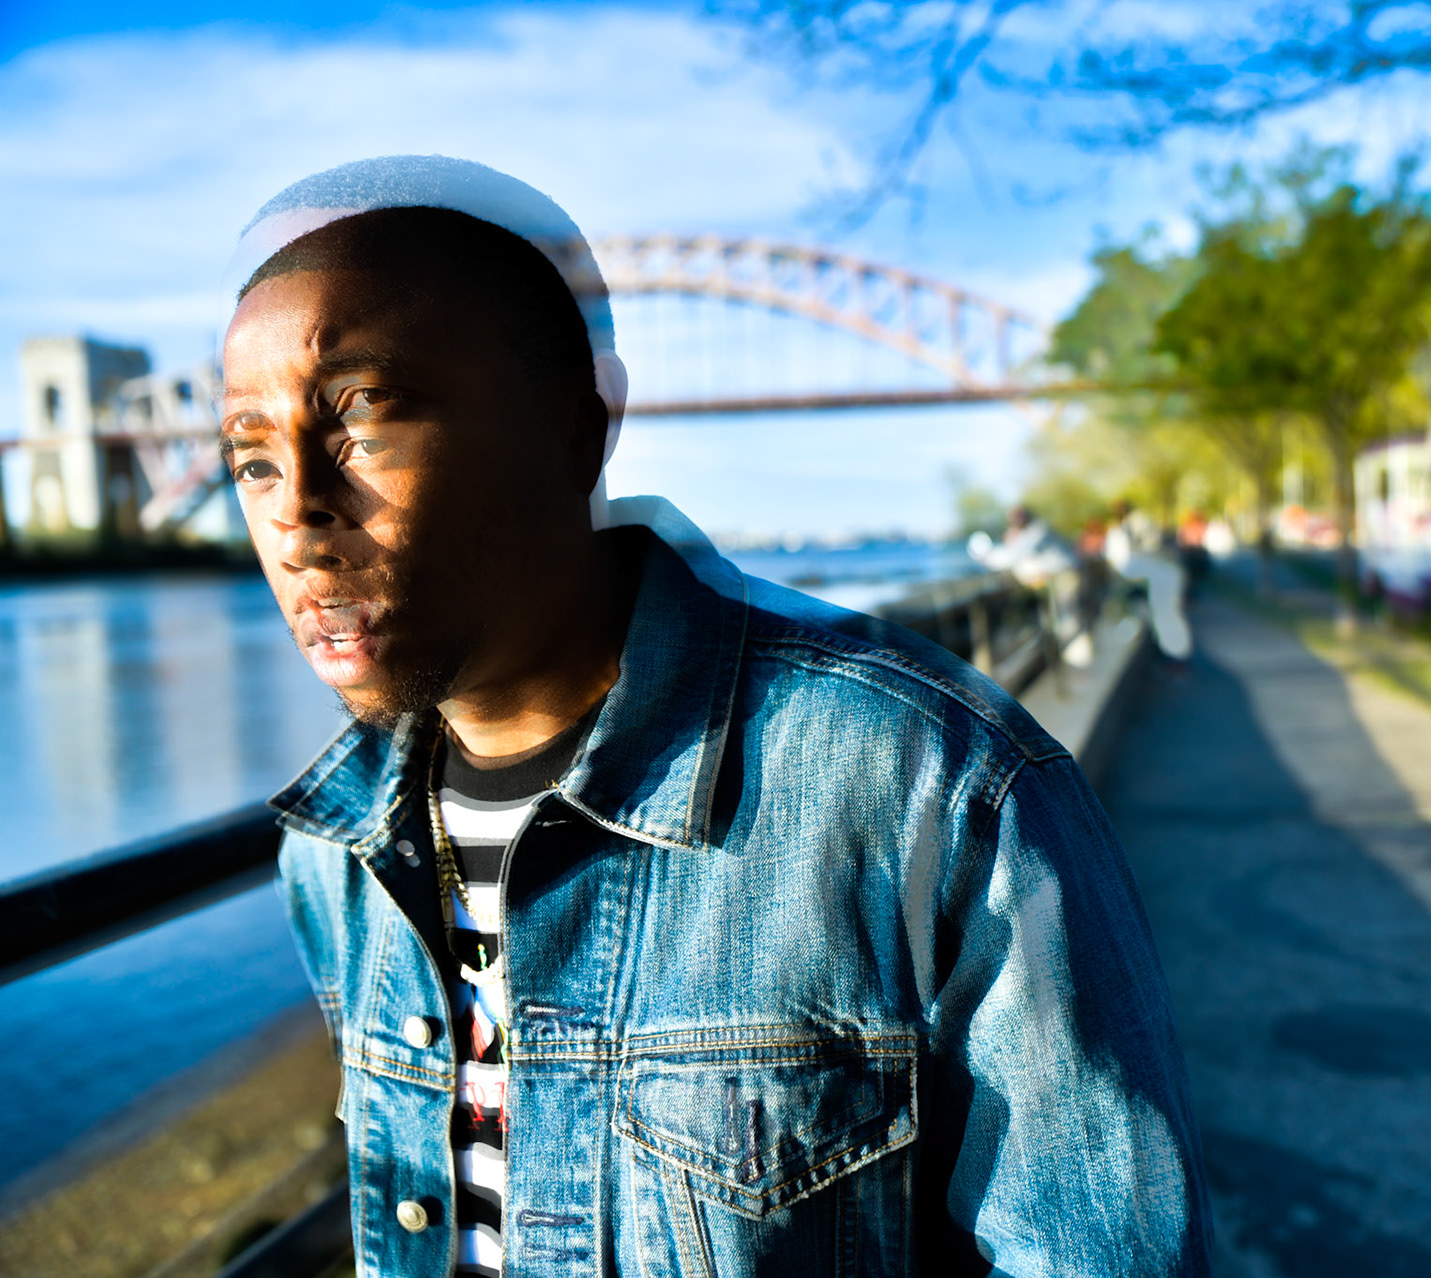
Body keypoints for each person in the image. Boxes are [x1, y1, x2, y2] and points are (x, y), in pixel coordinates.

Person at [222, 157, 1210, 1277]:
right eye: (249, 460)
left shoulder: (927, 784)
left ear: (572, 430)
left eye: (361, 421)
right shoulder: (335, 849)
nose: (296, 516)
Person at [1104, 501, 1194, 662]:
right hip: (1164, 574)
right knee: (1166, 615)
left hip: (1161, 577)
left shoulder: (1131, 526)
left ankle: (1175, 658)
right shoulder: (1136, 523)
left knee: (1165, 616)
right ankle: (1175, 657)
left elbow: (1126, 562)